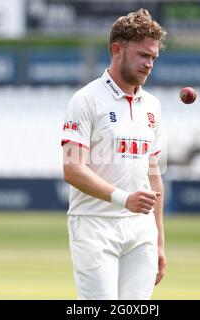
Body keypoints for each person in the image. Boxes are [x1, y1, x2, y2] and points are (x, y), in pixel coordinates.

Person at [61, 8, 166, 300]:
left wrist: (159, 241)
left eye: (153, 58)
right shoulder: (86, 100)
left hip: (140, 231)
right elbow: (72, 169)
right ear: (117, 49)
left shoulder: (152, 106)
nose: (149, 64)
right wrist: (125, 199)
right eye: (143, 55)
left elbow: (154, 177)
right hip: (95, 225)